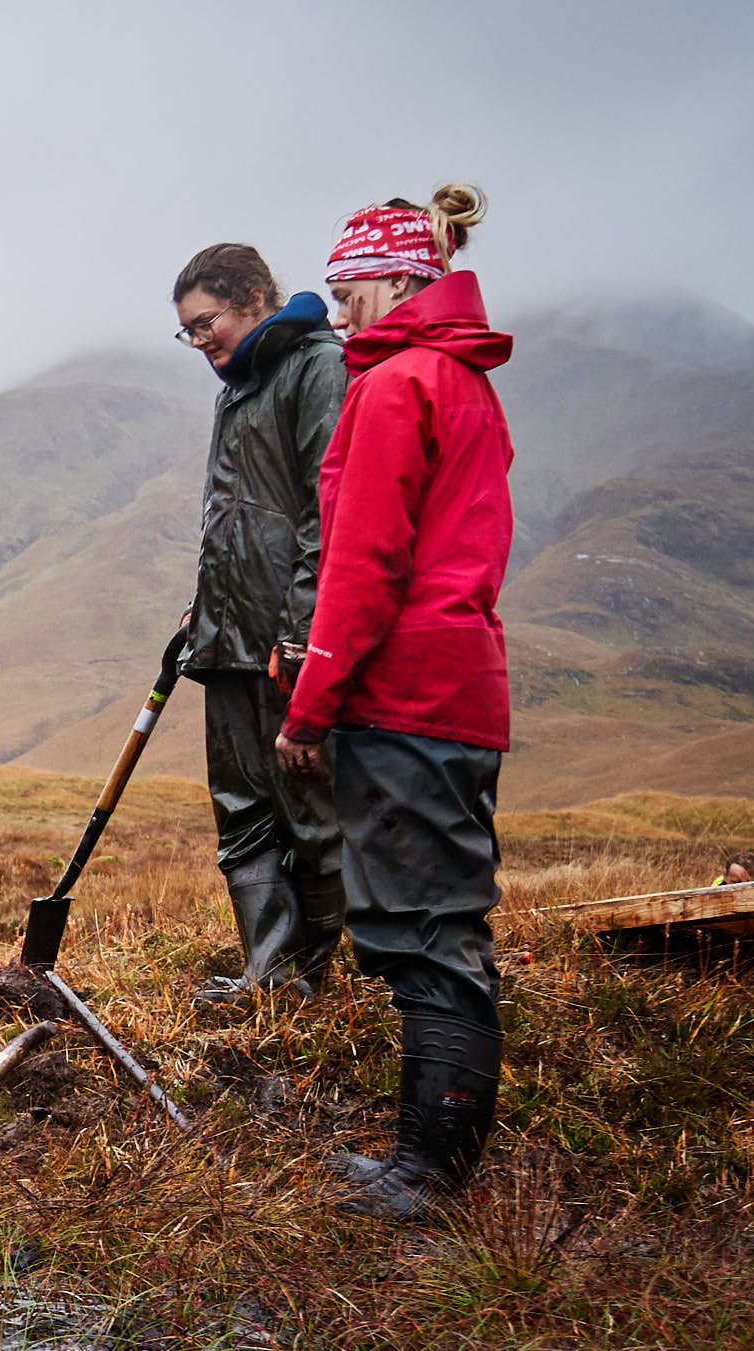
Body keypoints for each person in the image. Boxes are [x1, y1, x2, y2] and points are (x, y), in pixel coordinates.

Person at [277, 186, 515, 1223]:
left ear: (404, 279)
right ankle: (424, 1161)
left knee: (427, 936)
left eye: (349, 289)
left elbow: (364, 563)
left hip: (405, 689)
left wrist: (309, 705)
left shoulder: (397, 384)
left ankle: (429, 1178)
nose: (338, 311)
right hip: (458, 682)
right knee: (440, 926)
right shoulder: (464, 383)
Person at [173, 241, 348, 1004]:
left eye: (205, 321)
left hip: (286, 639)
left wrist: (301, 628)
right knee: (242, 811)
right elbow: (239, 519)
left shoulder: (317, 368)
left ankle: (335, 974)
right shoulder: (235, 388)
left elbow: (324, 509)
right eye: (187, 330)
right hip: (227, 638)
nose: (198, 340)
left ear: (252, 297)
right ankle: (270, 977)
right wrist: (205, 604)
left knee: (311, 811)